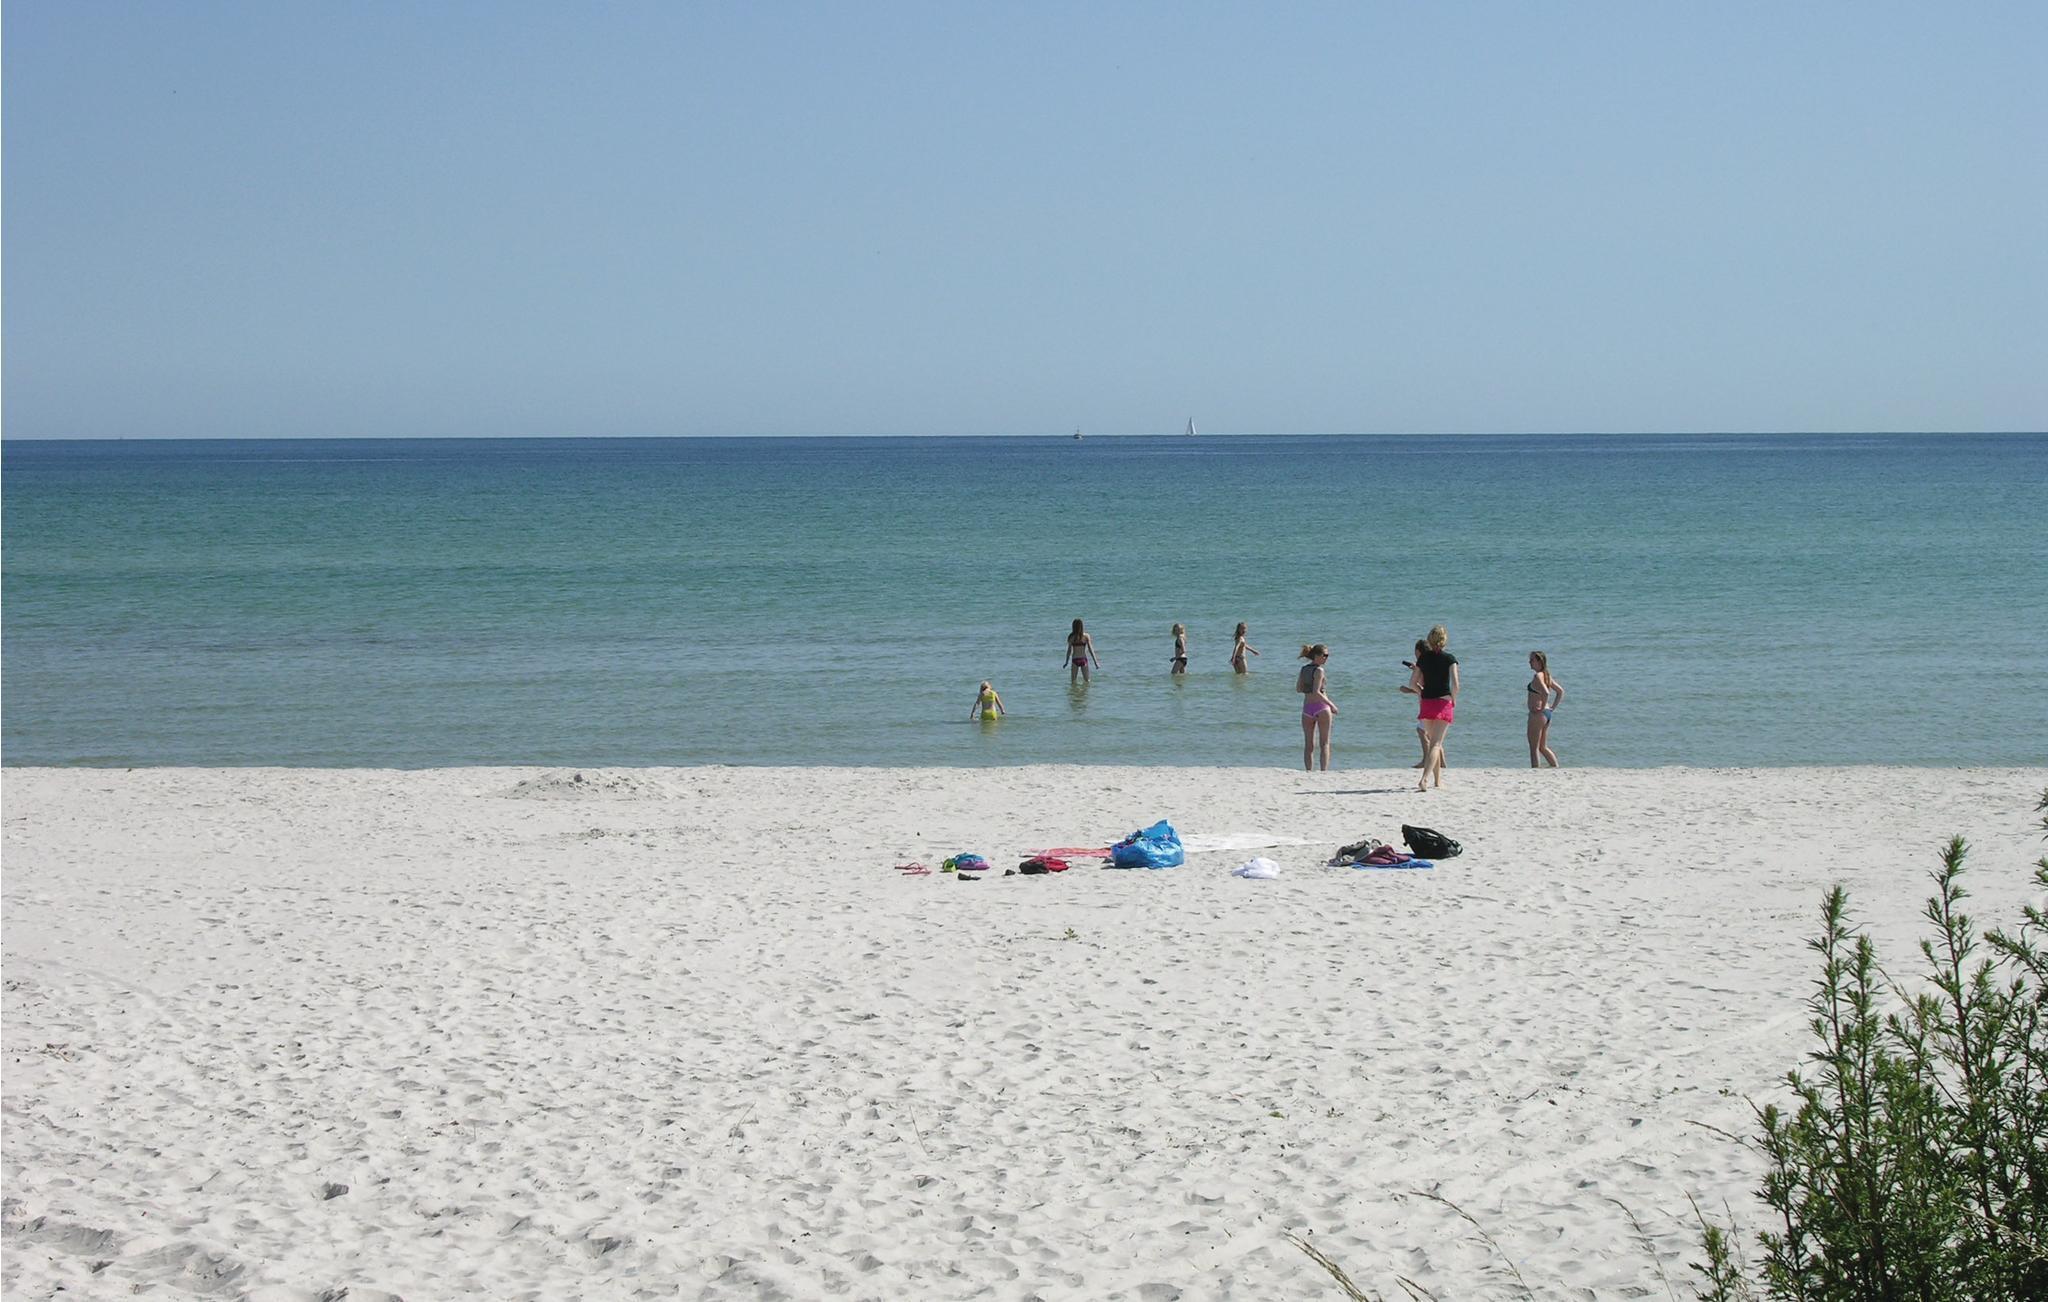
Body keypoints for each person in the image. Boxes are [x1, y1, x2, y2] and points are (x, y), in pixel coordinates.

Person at [1415, 625, 1458, 792]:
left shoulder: (1423, 658)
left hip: (1426, 703)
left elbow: (1412, 683)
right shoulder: (1450, 659)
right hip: (1442, 703)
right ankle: (1424, 779)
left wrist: (1421, 692)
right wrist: (1453, 700)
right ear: (1444, 640)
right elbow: (1456, 684)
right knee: (1436, 744)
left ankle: (1438, 781)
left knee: (1434, 742)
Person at [1398, 638, 1439, 770]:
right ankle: (1441, 763)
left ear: (1419, 651)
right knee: (1434, 735)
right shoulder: (1431, 663)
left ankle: (1426, 760)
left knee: (1422, 731)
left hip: (1427, 702)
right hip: (1435, 701)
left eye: (1416, 652)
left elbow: (1424, 687)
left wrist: (1409, 689)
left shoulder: (1423, 665)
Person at [1296, 644, 1336, 771]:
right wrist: (1332, 705)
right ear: (1316, 656)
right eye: (1325, 655)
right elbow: (1317, 692)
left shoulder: (1304, 669)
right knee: (1324, 743)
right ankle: (1323, 771)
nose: (1326, 658)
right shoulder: (1319, 670)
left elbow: (1298, 689)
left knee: (1309, 744)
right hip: (1321, 707)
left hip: (1307, 708)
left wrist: (1308, 686)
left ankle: (1308, 771)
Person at [1526, 651, 1564, 767]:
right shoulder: (1546, 675)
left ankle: (1535, 771)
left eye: (1532, 660)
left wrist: (1541, 708)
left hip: (1538, 715)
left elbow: (1546, 692)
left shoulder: (1538, 676)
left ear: (1539, 661)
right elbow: (1560, 691)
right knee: (1542, 747)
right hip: (1546, 714)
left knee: (1534, 748)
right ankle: (1555, 767)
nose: (1529, 662)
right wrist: (1551, 708)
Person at [1064, 618, 1101, 684]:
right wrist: (1096, 662)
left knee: (1073, 681)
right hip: (1083, 659)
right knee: (1087, 681)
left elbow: (1069, 651)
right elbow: (1091, 650)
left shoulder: (1071, 637)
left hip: (1075, 659)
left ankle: (1075, 691)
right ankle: (1086, 691)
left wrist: (1066, 662)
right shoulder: (1086, 636)